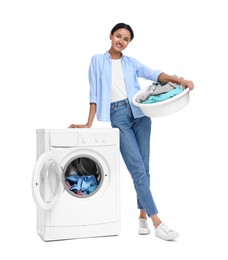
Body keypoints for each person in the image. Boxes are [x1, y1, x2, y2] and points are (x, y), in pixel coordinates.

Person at [69, 23, 194, 241]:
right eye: (118, 36)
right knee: (136, 168)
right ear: (110, 36)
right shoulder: (97, 60)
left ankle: (142, 216)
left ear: (128, 43)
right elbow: (94, 93)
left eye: (126, 39)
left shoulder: (131, 63)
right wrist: (88, 123)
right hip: (118, 115)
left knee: (144, 168)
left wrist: (179, 80)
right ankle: (158, 223)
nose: (121, 41)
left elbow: (153, 74)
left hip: (140, 114)